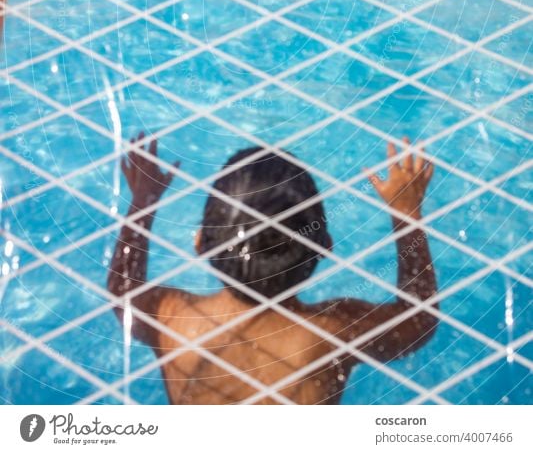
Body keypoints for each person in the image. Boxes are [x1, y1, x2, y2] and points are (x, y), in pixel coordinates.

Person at [108, 135, 438, 405]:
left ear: (199, 243)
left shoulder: (171, 320)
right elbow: (418, 322)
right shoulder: (333, 333)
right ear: (325, 247)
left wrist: (142, 203)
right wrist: (406, 214)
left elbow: (122, 290)